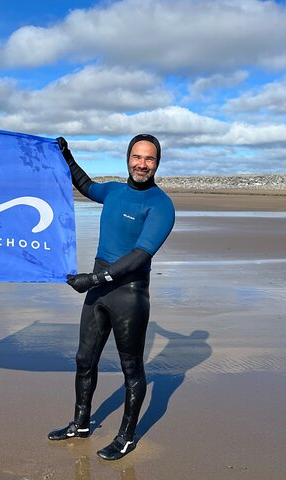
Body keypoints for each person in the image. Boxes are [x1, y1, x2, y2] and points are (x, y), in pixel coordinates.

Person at [48, 134, 175, 460]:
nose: (141, 164)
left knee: (130, 368)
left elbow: (138, 256)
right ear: (128, 158)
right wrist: (65, 154)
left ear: (157, 163)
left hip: (129, 295)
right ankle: (80, 423)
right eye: (136, 157)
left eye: (149, 159)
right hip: (99, 289)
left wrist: (92, 279)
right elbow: (85, 184)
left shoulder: (161, 205)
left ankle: (127, 436)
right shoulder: (115, 191)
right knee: (83, 360)